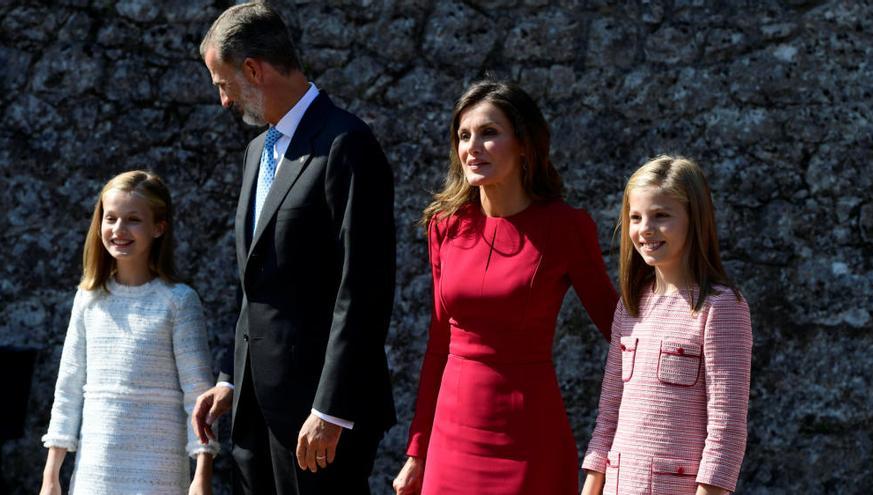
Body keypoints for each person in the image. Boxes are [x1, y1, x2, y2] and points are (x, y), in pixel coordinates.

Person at [191, 3, 396, 494]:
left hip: (318, 420)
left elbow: (364, 288)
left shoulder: (347, 144)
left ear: (253, 70)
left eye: (223, 84)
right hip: (255, 416)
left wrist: (331, 409)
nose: (222, 101)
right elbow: (257, 282)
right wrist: (229, 376)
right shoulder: (256, 151)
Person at [393, 80, 619, 495]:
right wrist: (417, 451)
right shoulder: (446, 226)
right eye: (464, 136)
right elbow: (438, 343)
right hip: (450, 439)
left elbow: (621, 331)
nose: (473, 147)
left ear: (524, 144)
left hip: (529, 437)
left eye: (489, 133)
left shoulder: (566, 227)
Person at [39, 170, 219, 495]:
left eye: (133, 219)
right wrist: (51, 475)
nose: (119, 230)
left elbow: (199, 397)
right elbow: (67, 388)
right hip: (96, 470)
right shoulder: (88, 300)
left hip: (158, 470)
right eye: (111, 218)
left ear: (159, 227)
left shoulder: (178, 301)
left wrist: (201, 473)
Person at [581, 156, 752, 495]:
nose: (645, 228)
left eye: (661, 215)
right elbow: (609, 415)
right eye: (635, 217)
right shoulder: (630, 306)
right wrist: (591, 485)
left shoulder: (721, 307)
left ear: (695, 220)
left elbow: (727, 429)